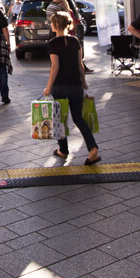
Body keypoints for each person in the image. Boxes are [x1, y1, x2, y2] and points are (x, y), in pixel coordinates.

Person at [43, 10, 100, 165]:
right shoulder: (75, 41)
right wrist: (83, 81)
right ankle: (92, 147)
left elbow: (55, 66)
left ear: (55, 25)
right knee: (78, 118)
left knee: (59, 119)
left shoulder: (53, 43)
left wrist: (48, 86)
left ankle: (63, 150)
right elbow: (80, 64)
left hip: (59, 85)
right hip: (75, 85)